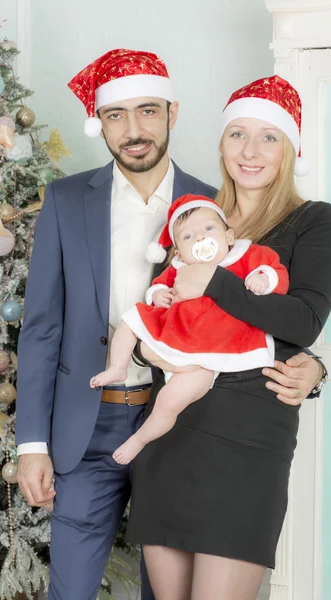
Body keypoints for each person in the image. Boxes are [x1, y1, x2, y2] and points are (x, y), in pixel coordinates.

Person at [14, 46, 325, 600]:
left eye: (148, 111)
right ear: (101, 125)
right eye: (116, 114)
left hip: (189, 427)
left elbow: (258, 316)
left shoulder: (217, 207)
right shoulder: (66, 200)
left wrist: (313, 367)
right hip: (89, 427)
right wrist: (30, 442)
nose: (134, 130)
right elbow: (41, 326)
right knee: (71, 591)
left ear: (173, 114)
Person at [125, 75, 331, 600]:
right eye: (237, 134)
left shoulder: (312, 221)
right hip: (171, 434)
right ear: (221, 143)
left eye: (269, 137)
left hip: (248, 441)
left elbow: (303, 320)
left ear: (291, 149)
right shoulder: (194, 217)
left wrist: (215, 282)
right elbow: (160, 310)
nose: (250, 151)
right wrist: (141, 347)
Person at [91, 194, 289, 464]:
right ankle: (118, 366)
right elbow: (161, 283)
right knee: (132, 319)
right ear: (178, 252)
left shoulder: (247, 256)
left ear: (229, 236)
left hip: (215, 351)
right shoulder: (179, 267)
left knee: (170, 402)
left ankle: (140, 438)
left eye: (208, 229)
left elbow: (277, 272)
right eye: (187, 236)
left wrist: (264, 278)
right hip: (177, 333)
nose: (199, 238)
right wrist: (158, 293)